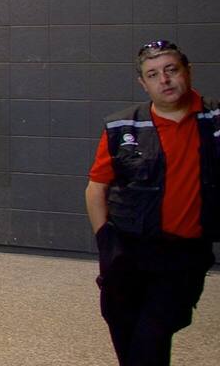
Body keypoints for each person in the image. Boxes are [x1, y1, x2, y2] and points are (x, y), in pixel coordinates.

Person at [84, 40, 218, 366]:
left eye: (171, 70)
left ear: (188, 71)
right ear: (143, 84)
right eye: (154, 74)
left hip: (181, 256)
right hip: (127, 251)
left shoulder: (214, 121)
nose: (165, 80)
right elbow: (96, 187)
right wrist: (106, 241)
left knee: (152, 336)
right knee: (123, 328)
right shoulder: (122, 127)